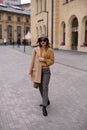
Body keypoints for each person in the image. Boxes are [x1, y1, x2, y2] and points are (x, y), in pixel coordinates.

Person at [29, 34, 55, 116]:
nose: (42, 42)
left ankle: (44, 106)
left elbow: (52, 61)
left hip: (46, 71)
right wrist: (30, 70)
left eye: (44, 40)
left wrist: (44, 59)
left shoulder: (50, 50)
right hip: (38, 71)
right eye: (41, 40)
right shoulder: (36, 49)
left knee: (45, 87)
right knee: (40, 87)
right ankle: (46, 100)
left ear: (47, 41)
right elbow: (32, 61)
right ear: (39, 41)